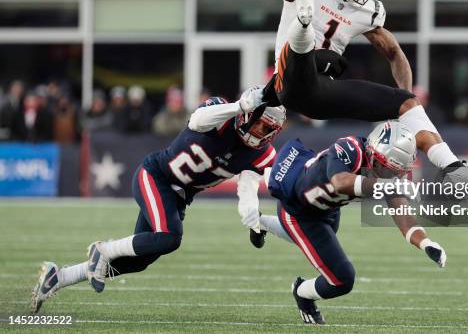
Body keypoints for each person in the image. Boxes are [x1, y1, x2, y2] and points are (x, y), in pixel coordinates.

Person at [243, 0, 468, 190]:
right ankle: (304, 15)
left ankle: (452, 167)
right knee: (312, 49)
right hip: (289, 78)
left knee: (408, 104)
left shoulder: (368, 11)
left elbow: (394, 53)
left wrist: (402, 99)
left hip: (320, 91)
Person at [31, 86, 286, 313]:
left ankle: (60, 277)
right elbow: (197, 120)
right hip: (156, 177)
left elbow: (248, 189)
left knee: (141, 259)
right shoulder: (221, 114)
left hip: (177, 196)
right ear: (249, 113)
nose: (262, 134)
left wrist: (253, 219)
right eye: (261, 124)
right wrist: (239, 106)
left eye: (269, 130)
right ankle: (103, 250)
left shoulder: (261, 153)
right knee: (170, 237)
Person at [253, 120, 446, 324]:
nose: (392, 175)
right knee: (342, 279)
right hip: (299, 211)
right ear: (374, 153)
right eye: (386, 168)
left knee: (316, 241)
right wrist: (388, 185)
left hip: (328, 210)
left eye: (395, 171)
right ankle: (301, 292)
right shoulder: (350, 147)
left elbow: (403, 216)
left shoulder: (389, 176)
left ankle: (261, 223)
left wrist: (426, 244)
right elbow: (340, 182)